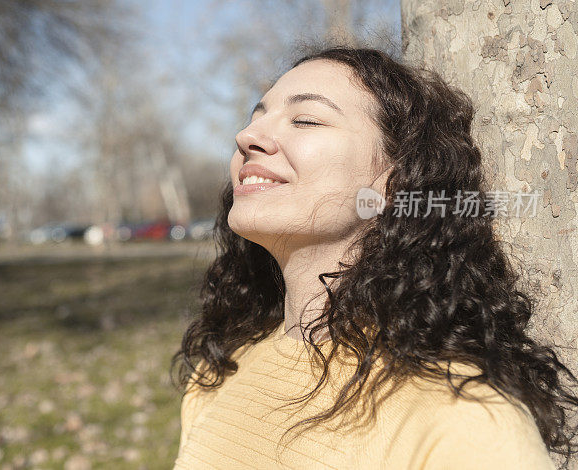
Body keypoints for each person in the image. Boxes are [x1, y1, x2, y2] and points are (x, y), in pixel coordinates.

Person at [171, 44, 578, 469]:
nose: (245, 137)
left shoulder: (465, 419)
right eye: (255, 118)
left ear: (395, 183)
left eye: (306, 119)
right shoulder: (220, 370)